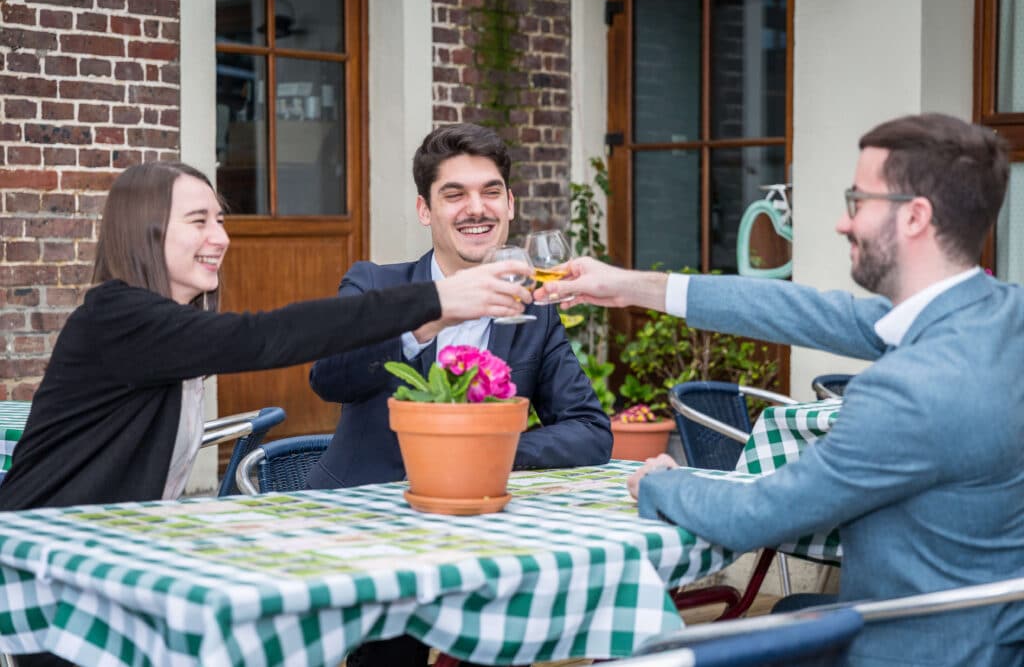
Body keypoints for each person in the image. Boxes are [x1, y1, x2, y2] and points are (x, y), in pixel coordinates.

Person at [536, 113, 1024, 666]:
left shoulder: (909, 391)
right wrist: (628, 286)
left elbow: (756, 514)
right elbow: (807, 311)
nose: (842, 222)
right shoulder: (1000, 316)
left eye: (857, 200)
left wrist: (661, 483)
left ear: (915, 216)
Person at [0, 161, 532, 514]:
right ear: (146, 232)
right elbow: (269, 337)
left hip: (114, 547)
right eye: (199, 221)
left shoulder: (161, 326)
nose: (220, 238)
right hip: (40, 559)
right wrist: (437, 299)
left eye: (220, 220)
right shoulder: (117, 318)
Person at [306, 123, 612, 490]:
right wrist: (423, 321)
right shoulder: (373, 285)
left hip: (478, 508)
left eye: (491, 192)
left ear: (510, 204)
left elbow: (589, 430)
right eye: (455, 195)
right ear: (424, 210)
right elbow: (328, 379)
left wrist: (488, 449)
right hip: (360, 508)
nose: (477, 209)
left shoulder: (535, 310)